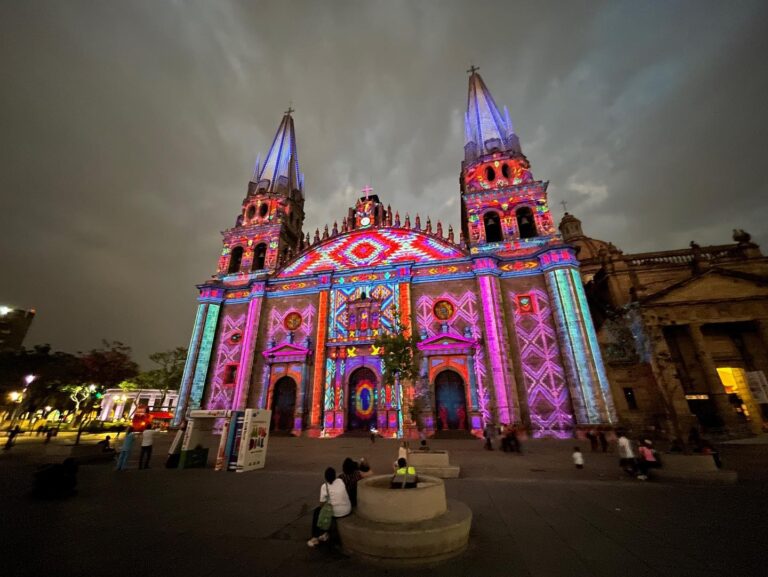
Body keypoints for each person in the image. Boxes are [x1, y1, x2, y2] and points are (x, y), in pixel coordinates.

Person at [307, 467, 351, 548]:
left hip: (337, 513)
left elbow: (321, 504)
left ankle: (315, 537)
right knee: (325, 510)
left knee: (317, 512)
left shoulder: (325, 486)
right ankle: (325, 533)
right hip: (347, 509)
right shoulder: (340, 481)